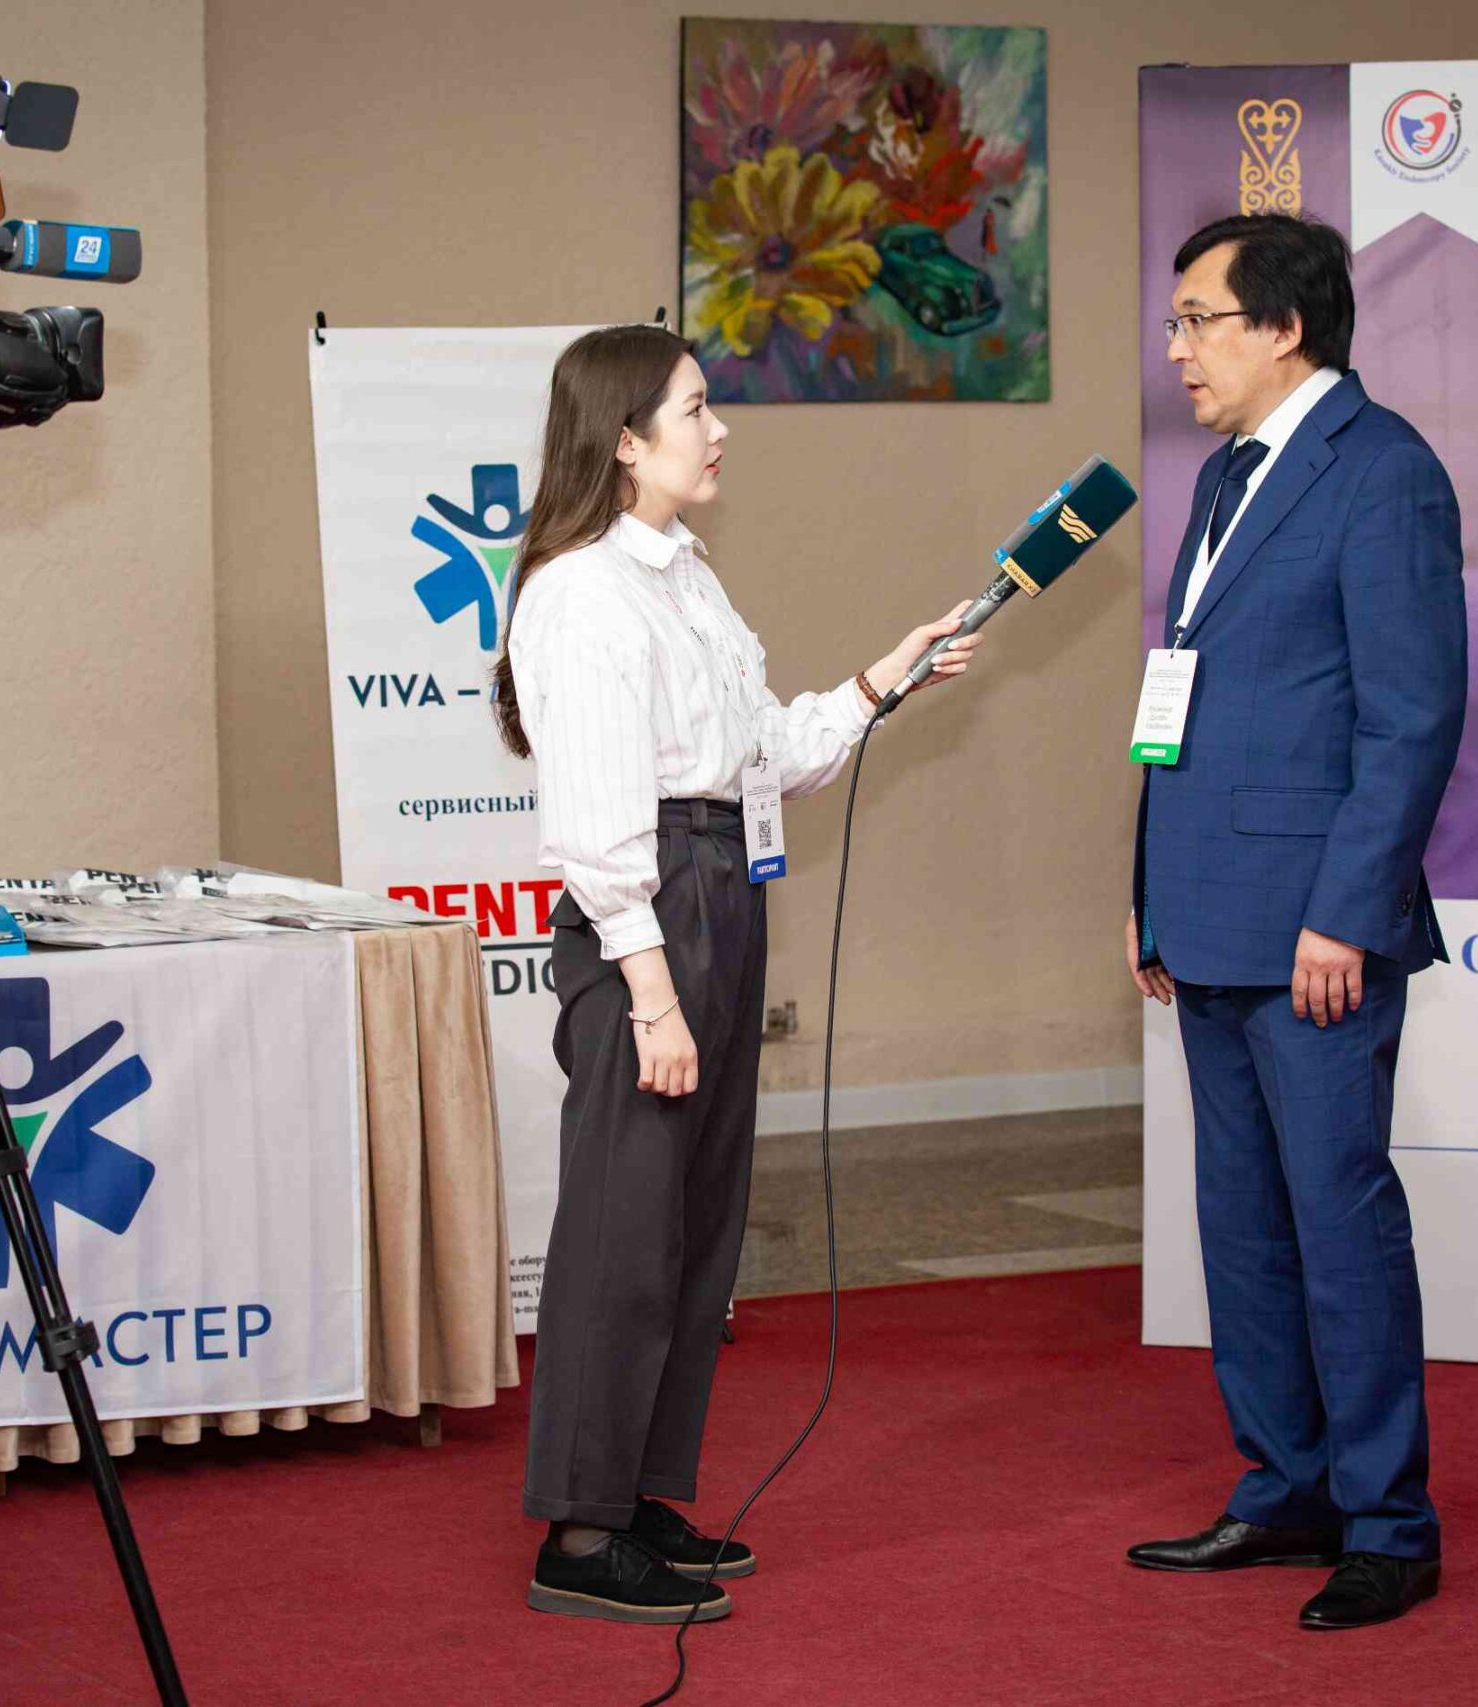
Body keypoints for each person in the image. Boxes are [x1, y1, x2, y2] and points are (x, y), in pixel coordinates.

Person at [497, 323, 980, 1624]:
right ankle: (579, 1536)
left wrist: (884, 680)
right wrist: (652, 997)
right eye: (696, 408)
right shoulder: (582, 592)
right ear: (625, 440)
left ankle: (640, 1493)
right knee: (623, 1228)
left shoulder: (687, 579)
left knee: (696, 1225)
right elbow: (597, 829)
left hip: (719, 884)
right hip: (648, 912)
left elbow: (763, 754)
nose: (720, 431)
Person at [1122, 213, 1466, 1631]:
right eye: (1177, 323)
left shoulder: (1384, 473)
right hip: (1207, 913)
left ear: (1284, 328)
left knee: (1337, 1221)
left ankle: (1389, 1522)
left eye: (1198, 321)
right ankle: (1285, 1490)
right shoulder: (1223, 475)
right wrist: (1148, 893)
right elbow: (1182, 699)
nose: (1177, 349)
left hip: (1315, 931)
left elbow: (1410, 719)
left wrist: (1347, 914)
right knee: (1245, 1228)